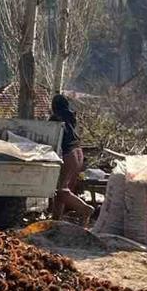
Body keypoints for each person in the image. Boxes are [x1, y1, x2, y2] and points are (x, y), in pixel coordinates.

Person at [49, 93, 93, 222]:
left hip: (69, 154)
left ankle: (85, 208)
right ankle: (56, 221)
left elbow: (51, 136)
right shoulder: (72, 117)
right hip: (78, 153)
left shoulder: (56, 118)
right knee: (64, 189)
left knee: (60, 190)